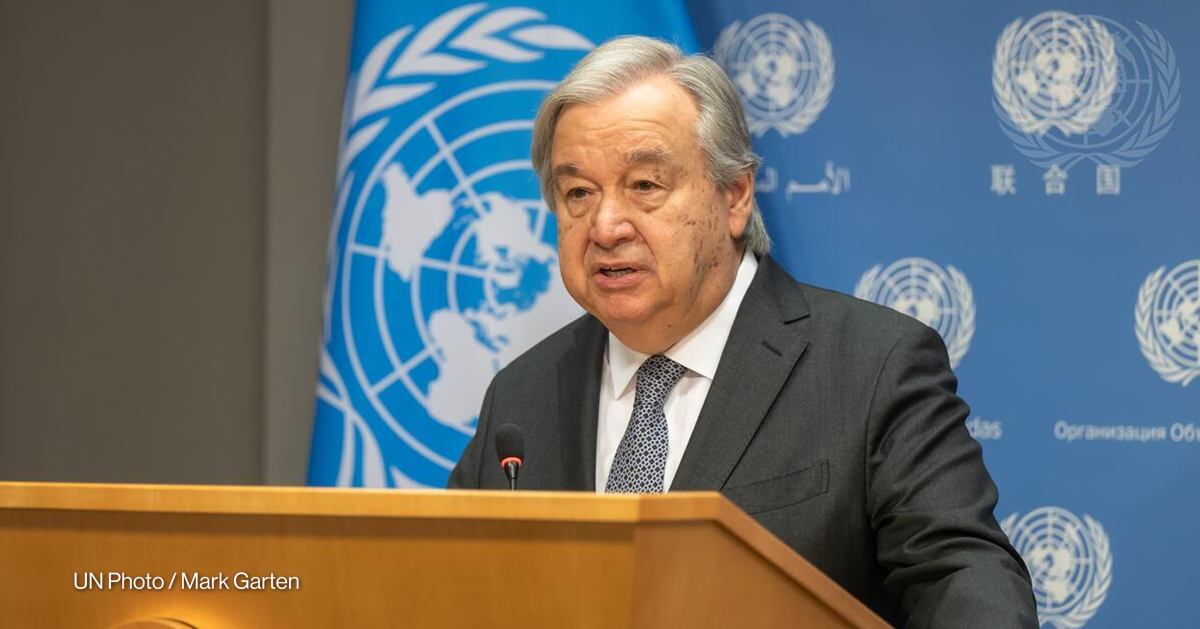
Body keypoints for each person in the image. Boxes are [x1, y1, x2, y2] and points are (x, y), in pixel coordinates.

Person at [448, 36, 1037, 628]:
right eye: (578, 193)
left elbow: (961, 577)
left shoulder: (872, 367)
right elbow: (446, 586)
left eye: (645, 185)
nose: (604, 226)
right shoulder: (520, 396)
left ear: (735, 196)